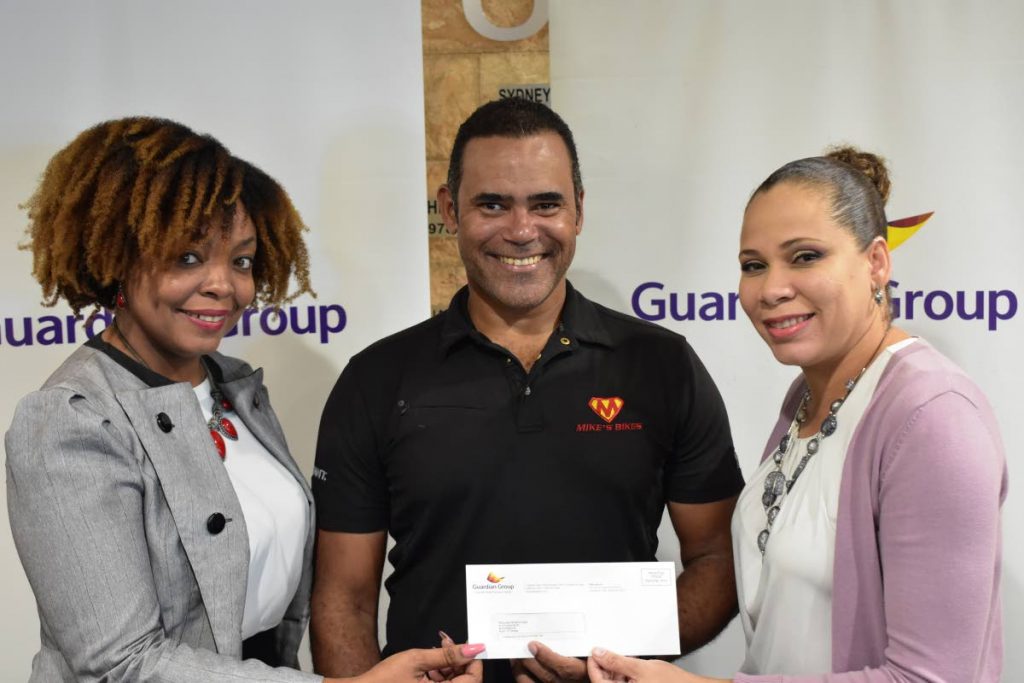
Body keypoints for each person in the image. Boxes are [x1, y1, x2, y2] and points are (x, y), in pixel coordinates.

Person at [5, 117, 484, 683]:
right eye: (187, 257)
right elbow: (119, 664)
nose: (224, 286)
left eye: (241, 260)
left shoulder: (234, 386)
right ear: (117, 253)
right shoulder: (70, 419)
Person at [310, 97, 745, 683]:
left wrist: (614, 663)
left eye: (546, 204)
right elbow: (344, 598)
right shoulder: (376, 379)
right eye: (492, 204)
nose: (521, 231)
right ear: (449, 209)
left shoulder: (662, 364)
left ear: (579, 211)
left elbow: (719, 561)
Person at [586, 148, 1007, 683]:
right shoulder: (803, 399)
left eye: (805, 256)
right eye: (753, 265)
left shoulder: (932, 418)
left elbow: (933, 679)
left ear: (876, 262)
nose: (772, 288)